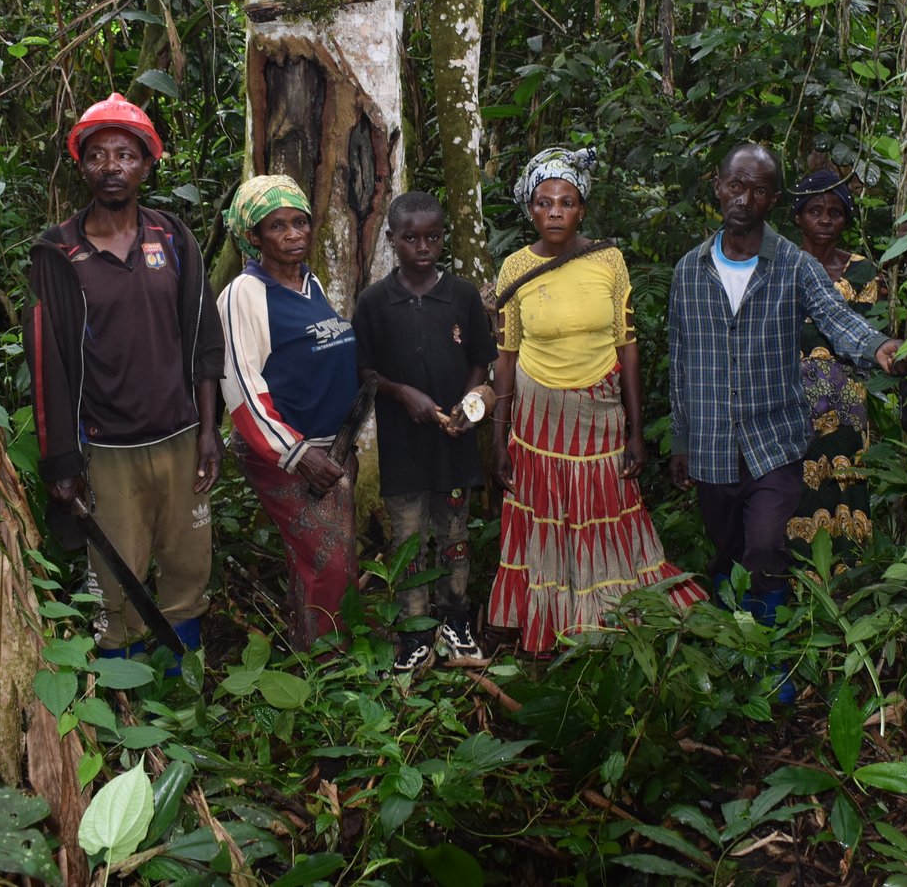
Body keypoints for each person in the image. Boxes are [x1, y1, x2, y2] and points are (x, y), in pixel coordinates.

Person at [667, 144, 904, 668]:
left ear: (773, 198)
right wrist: (680, 439)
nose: (743, 198)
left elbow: (836, 317)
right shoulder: (689, 269)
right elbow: (679, 358)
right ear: (718, 186)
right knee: (728, 549)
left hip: (774, 438)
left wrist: (878, 346)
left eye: (757, 189)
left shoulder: (794, 266)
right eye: (735, 184)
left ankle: (770, 657)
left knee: (768, 547)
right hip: (710, 442)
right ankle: (733, 648)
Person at [25, 93, 223, 662]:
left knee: (188, 565)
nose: (111, 166)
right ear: (80, 165)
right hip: (105, 449)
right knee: (117, 574)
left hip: (181, 438)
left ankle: (183, 684)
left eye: (126, 154)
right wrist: (61, 464)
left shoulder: (173, 238)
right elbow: (47, 366)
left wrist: (209, 431)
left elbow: (204, 340)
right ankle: (123, 698)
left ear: (147, 163)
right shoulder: (56, 252)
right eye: (97, 155)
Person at [489, 146, 707, 654]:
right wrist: (498, 439)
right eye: (545, 202)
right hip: (538, 416)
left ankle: (608, 611)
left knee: (604, 507)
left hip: (599, 413)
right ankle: (548, 614)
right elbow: (506, 357)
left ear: (582, 208)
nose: (556, 212)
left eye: (567, 201)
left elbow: (627, 345)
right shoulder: (514, 268)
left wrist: (635, 430)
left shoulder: (608, 260)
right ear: (530, 210)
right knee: (544, 510)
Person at [352, 192, 497, 673]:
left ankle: (456, 619)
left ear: (443, 237)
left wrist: (469, 403)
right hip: (403, 449)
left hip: (452, 446)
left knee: (455, 535)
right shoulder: (374, 302)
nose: (422, 247)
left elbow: (481, 358)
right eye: (410, 238)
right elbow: (364, 371)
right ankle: (413, 631)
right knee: (408, 540)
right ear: (392, 240)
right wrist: (402, 393)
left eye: (432, 237)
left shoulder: (461, 295)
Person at [216, 175, 360, 651]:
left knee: (324, 561)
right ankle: (330, 668)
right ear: (253, 238)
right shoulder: (244, 294)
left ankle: (312, 650)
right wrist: (298, 453)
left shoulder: (309, 282)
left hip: (329, 448)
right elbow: (242, 385)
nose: (294, 234)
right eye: (277, 226)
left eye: (300, 222)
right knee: (329, 562)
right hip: (288, 453)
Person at [786, 169, 882, 552]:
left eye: (835, 212)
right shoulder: (779, 265)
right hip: (789, 401)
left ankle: (847, 576)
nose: (825, 220)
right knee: (795, 487)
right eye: (814, 211)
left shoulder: (860, 270)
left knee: (845, 485)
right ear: (798, 217)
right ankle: (791, 581)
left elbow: (863, 333)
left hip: (846, 406)